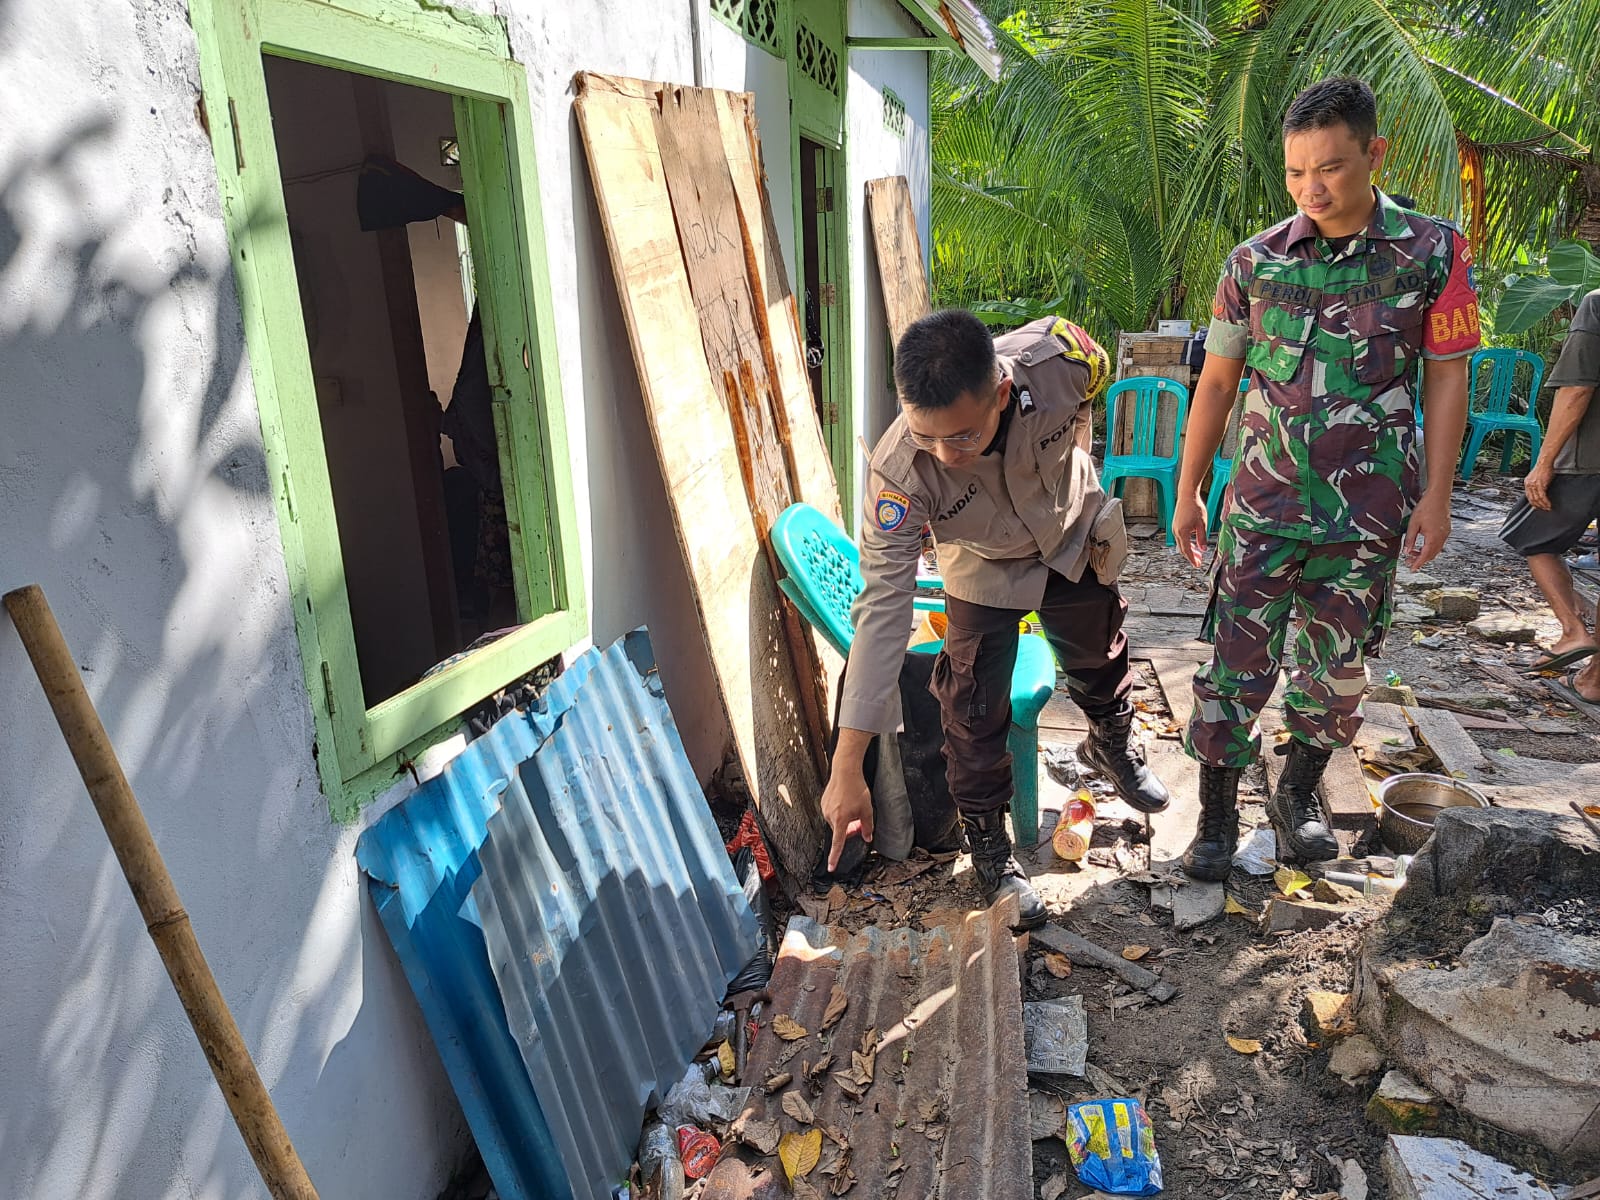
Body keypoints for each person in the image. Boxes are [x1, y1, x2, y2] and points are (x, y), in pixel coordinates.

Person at [1171, 77, 1480, 879]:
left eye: (1333, 169)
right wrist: (1188, 487)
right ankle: (1212, 816)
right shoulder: (1255, 263)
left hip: (1368, 515)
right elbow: (1217, 383)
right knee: (1232, 668)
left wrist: (1437, 495)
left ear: (1375, 154)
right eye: (1296, 173)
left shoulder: (1434, 252)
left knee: (1336, 672)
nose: (1313, 189)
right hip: (1263, 507)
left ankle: (1299, 795)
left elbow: (1448, 377)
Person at [822, 310, 1172, 929]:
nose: (942, 454)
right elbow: (881, 612)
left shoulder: (1061, 357)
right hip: (985, 565)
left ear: (1002, 392)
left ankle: (1111, 741)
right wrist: (847, 766)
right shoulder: (900, 474)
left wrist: (1074, 459)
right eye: (924, 434)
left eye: (960, 436)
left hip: (1069, 530)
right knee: (972, 709)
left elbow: (1095, 383)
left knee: (1099, 646)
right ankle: (989, 849)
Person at [1500, 287, 1600, 700]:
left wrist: (1543, 462)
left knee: (1530, 536)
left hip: (1589, 460)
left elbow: (1576, 389)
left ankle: (1574, 630)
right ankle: (1595, 680)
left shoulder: (1596, 304)